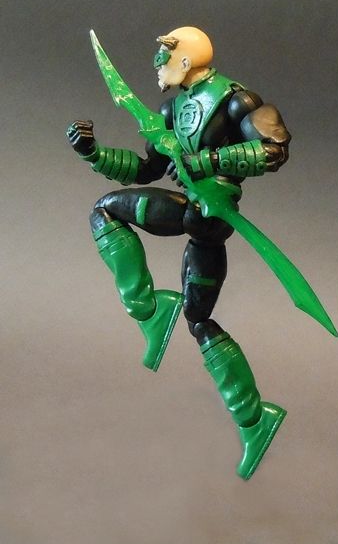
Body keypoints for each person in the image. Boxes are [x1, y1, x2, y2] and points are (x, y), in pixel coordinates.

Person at [67, 26, 291, 480]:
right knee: (197, 317)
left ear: (184, 60)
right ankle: (253, 417)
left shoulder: (236, 101)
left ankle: (153, 313)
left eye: (162, 59)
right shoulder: (171, 109)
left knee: (109, 213)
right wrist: (93, 153)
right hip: (191, 212)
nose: (156, 67)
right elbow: (144, 168)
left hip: (210, 213)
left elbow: (274, 149)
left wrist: (210, 162)